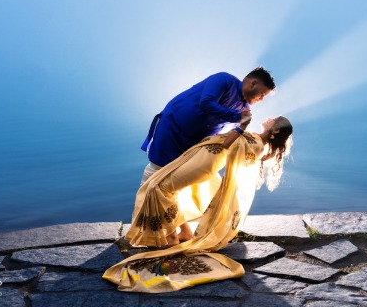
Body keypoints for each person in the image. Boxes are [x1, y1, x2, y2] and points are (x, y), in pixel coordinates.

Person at [103, 115, 293, 293]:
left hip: (206, 163)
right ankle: (184, 231)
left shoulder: (258, 145)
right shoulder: (257, 140)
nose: (269, 118)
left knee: (159, 189)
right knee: (161, 188)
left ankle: (171, 237)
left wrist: (242, 125)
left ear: (275, 131)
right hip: (201, 158)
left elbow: (227, 145)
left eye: (273, 120)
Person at [140, 67, 276, 183]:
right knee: (155, 172)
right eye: (262, 94)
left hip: (194, 145)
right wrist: (238, 117)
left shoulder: (245, 109)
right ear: (252, 84)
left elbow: (230, 137)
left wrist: (259, 153)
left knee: (175, 181)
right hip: (172, 128)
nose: (261, 99)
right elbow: (206, 103)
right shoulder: (224, 80)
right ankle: (141, 212)